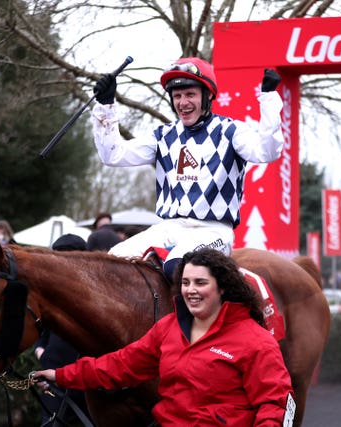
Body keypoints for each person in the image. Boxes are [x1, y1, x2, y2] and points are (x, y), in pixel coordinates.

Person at [32, 248, 295, 426]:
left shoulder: (256, 341)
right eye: (186, 282)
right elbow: (120, 365)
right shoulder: (169, 328)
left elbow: (276, 403)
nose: (190, 290)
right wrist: (62, 375)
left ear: (223, 288)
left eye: (200, 283)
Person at [90, 57, 284, 278]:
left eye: (190, 94)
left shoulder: (231, 131)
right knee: (112, 262)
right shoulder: (163, 135)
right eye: (177, 96)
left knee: (179, 267)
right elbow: (113, 155)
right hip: (169, 227)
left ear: (208, 95)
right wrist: (106, 105)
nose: (183, 102)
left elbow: (267, 152)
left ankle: (189, 314)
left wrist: (268, 99)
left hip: (213, 230)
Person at [34, 234, 90, 425]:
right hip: (53, 377)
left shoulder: (93, 292)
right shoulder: (49, 292)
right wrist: (40, 350)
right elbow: (39, 328)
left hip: (86, 379)